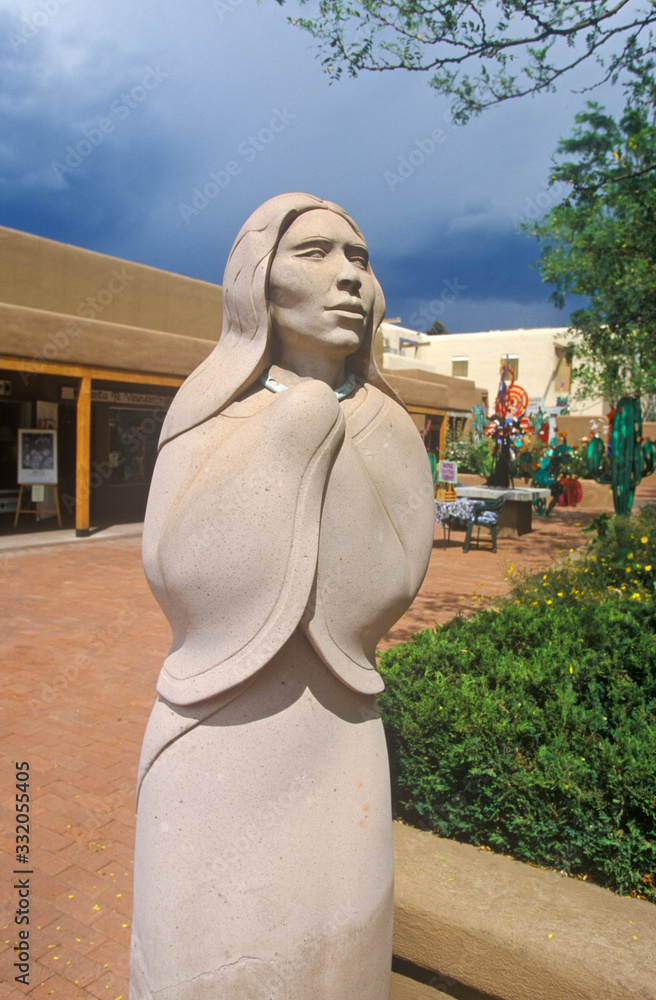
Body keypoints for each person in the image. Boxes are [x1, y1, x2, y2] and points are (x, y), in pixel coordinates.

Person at [130, 193, 435, 1000]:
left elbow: (392, 581)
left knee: (337, 960)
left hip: (337, 731)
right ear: (258, 282)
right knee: (203, 956)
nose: (346, 279)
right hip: (217, 728)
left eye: (359, 262)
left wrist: (322, 434)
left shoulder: (390, 427)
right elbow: (178, 569)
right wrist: (294, 433)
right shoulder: (210, 409)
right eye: (316, 254)